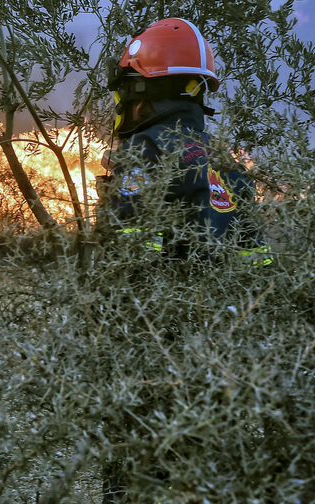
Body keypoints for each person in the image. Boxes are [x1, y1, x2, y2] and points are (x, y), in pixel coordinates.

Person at [95, 17, 271, 503]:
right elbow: (261, 267)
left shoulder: (141, 153)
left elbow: (123, 259)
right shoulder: (228, 165)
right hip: (218, 356)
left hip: (150, 351)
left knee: (134, 473)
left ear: (141, 90)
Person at [100, 17, 271, 266]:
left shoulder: (145, 147)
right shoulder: (221, 156)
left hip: (170, 300)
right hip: (226, 302)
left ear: (140, 91)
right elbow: (257, 259)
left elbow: (130, 256)